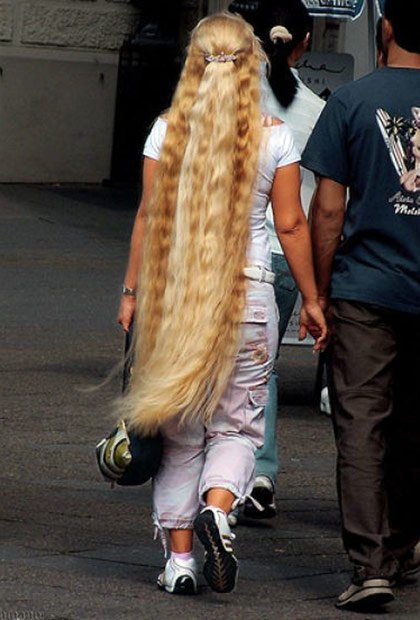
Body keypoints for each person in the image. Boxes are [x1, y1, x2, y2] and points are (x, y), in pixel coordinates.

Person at [117, 12, 327, 596]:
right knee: (237, 429)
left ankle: (180, 562)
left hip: (174, 298)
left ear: (194, 64)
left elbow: (147, 217)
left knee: (181, 432)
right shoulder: (274, 136)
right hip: (251, 297)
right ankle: (218, 506)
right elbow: (290, 223)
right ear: (250, 68)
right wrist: (312, 300)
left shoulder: (166, 131)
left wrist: (131, 291)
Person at [302, 0, 420, 611]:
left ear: (386, 30)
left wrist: (317, 293)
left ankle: (370, 564)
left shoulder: (350, 101)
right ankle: (401, 547)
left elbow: (327, 211)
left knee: (362, 428)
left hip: (365, 289)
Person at [228, 0, 325, 524]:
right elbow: (317, 205)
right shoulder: (317, 111)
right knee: (259, 370)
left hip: (225, 250)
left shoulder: (230, 102)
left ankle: (222, 472)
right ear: (305, 42)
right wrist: (317, 292)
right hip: (285, 256)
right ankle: (258, 470)